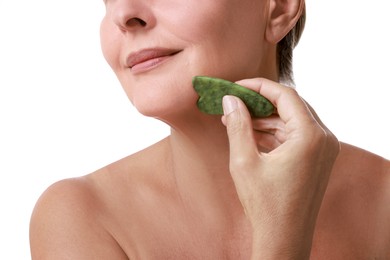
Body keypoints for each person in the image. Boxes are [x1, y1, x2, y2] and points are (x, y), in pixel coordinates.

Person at [29, 0, 389, 259]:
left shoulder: (383, 205)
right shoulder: (81, 216)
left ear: (278, 8)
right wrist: (282, 236)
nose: (124, 13)